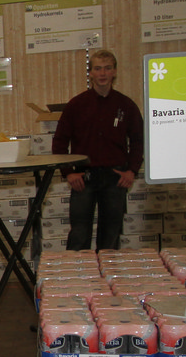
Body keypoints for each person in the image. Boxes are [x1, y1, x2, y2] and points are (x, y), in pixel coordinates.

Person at [52, 48, 143, 251]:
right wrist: (68, 172)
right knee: (79, 234)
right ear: (91, 73)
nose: (103, 73)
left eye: (107, 68)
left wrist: (132, 170)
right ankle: (77, 271)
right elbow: (59, 141)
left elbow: (138, 141)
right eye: (98, 68)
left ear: (115, 72)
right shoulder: (76, 105)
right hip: (83, 178)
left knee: (110, 235)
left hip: (115, 177)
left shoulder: (126, 105)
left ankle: (107, 271)